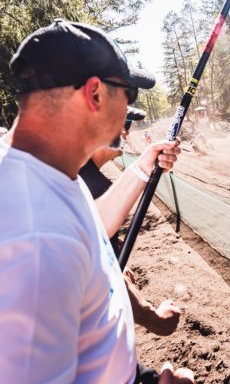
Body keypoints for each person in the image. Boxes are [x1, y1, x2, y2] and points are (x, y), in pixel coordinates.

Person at [0, 20, 193, 383]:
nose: (129, 110)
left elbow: (90, 229)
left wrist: (143, 166)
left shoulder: (42, 170)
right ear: (95, 94)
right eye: (128, 94)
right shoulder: (37, 239)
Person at [79, 106, 181, 337]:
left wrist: (114, 252)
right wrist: (155, 319)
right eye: (123, 125)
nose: (126, 132)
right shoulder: (90, 186)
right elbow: (100, 279)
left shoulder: (81, 174)